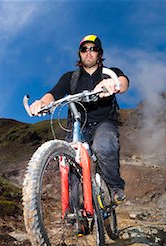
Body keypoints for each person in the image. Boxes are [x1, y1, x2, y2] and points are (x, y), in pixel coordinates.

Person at [30, 34, 129, 203]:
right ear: (80, 53)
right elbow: (53, 94)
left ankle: (114, 188)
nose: (88, 52)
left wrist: (113, 84)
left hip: (103, 123)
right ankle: (76, 213)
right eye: (84, 49)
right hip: (78, 125)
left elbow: (123, 81)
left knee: (104, 145)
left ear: (99, 53)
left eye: (93, 49)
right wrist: (41, 103)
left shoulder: (109, 73)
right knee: (69, 162)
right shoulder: (71, 77)